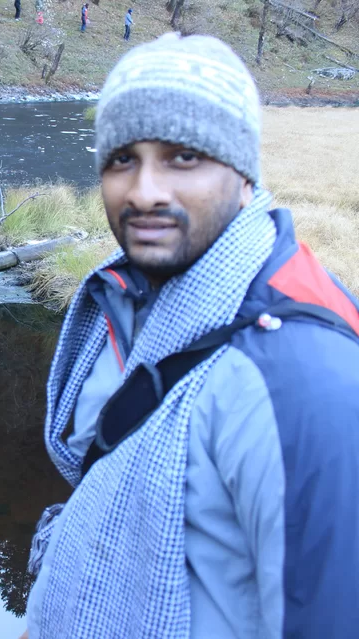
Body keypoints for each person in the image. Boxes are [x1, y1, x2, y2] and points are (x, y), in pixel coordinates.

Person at [20, 33, 359, 639]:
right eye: (123, 158)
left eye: (183, 157)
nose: (145, 190)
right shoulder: (138, 294)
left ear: (243, 172)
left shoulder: (303, 379)